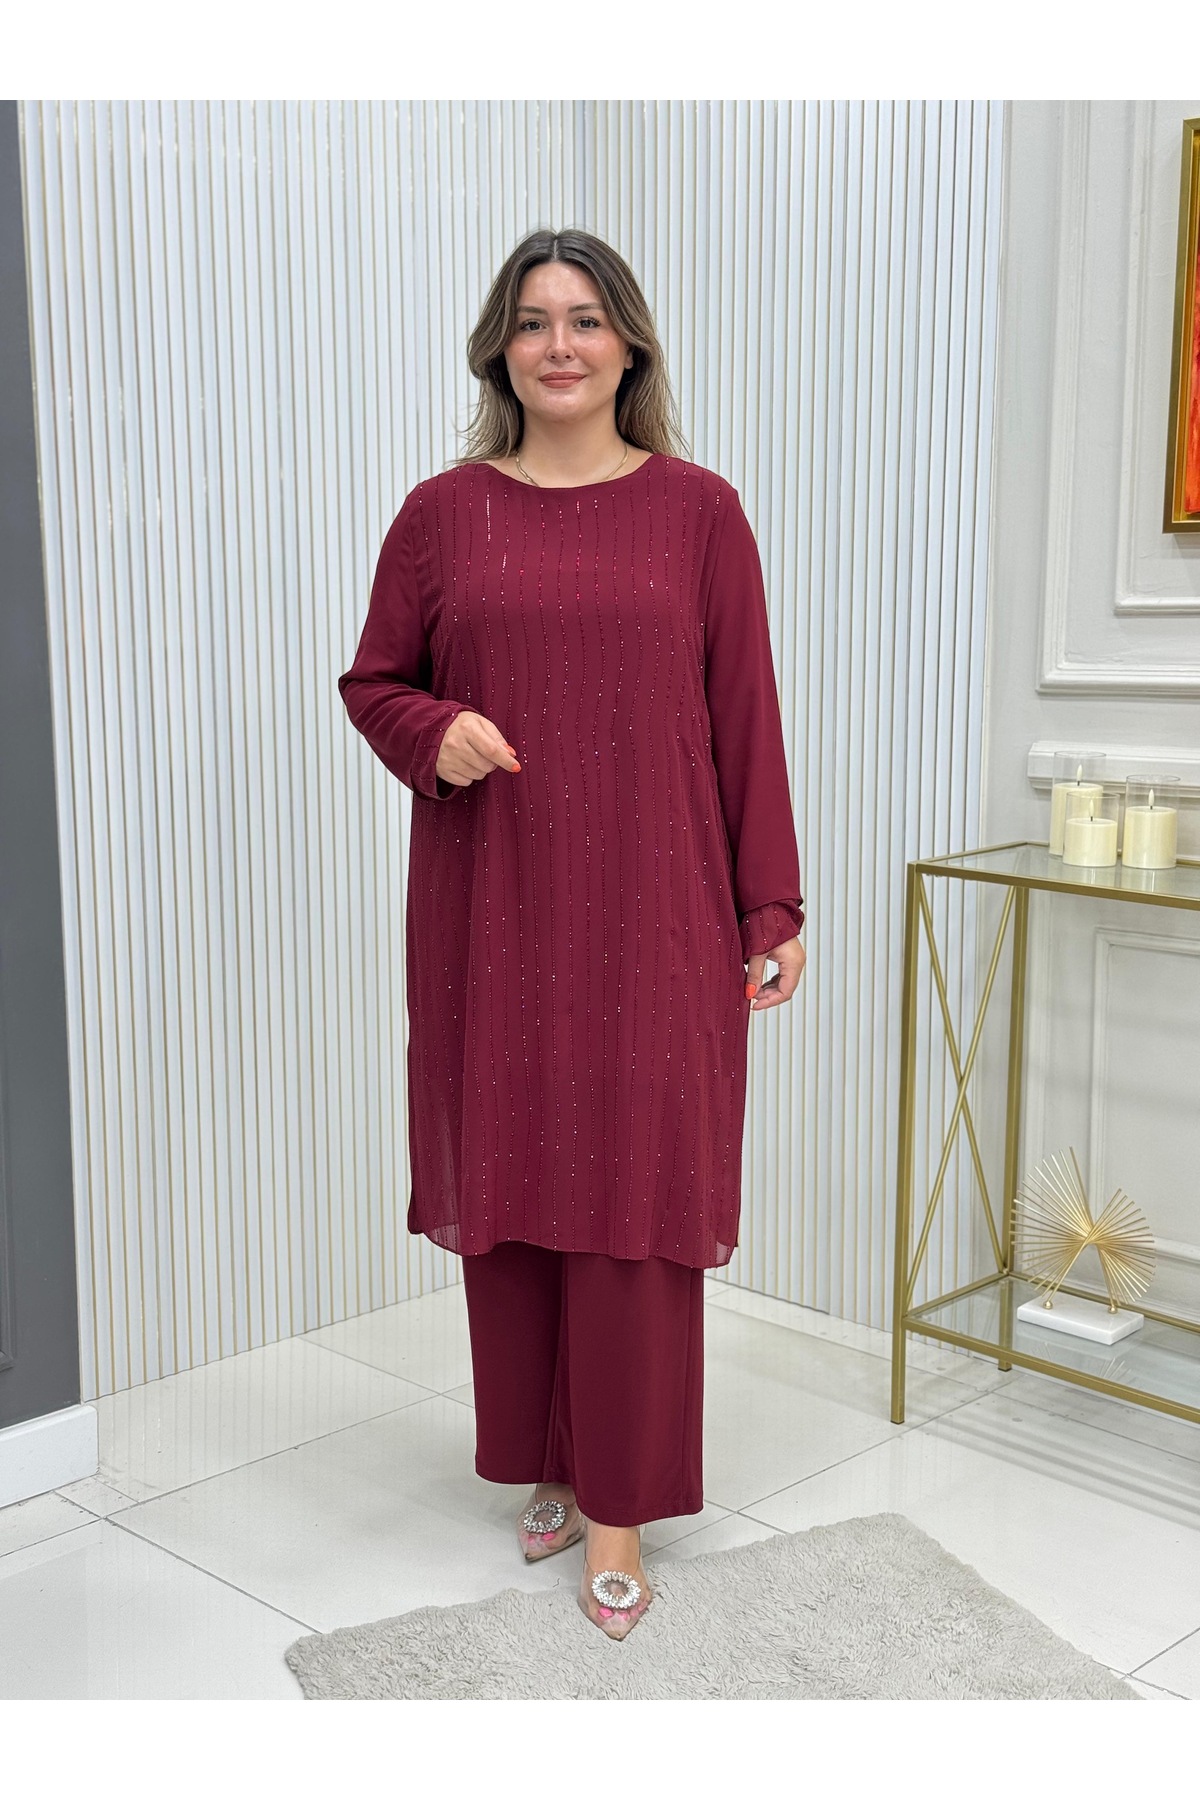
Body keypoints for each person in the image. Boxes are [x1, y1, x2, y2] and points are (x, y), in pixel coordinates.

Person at [338, 227, 806, 1642]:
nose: (561, 345)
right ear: (500, 348)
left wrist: (771, 904)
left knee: (632, 1202)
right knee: (523, 1183)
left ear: (629, 345)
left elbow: (745, 717)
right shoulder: (441, 516)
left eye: (587, 319)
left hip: (658, 911)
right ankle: (547, 1456)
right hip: (496, 909)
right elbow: (374, 681)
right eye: (535, 321)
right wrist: (434, 733)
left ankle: (619, 1506)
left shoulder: (700, 513)